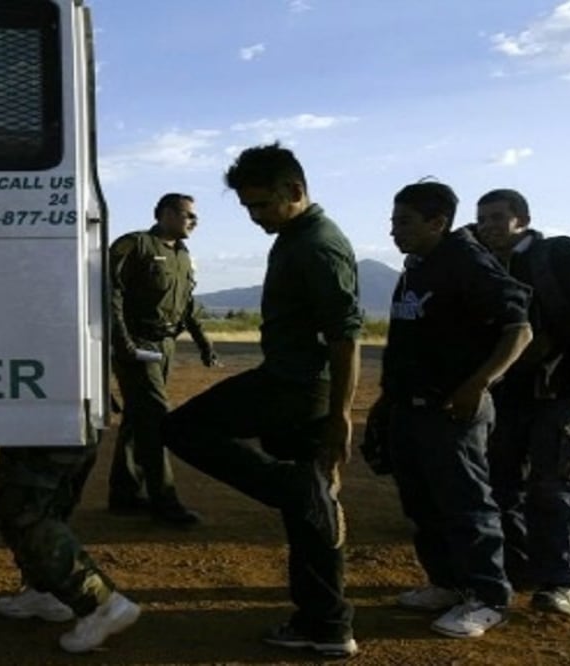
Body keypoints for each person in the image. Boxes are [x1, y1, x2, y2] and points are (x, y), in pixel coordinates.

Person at [160, 143, 361, 658]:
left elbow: (346, 336)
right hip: (289, 380)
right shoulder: (294, 234)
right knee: (310, 512)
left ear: (295, 191)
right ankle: (328, 624)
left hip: (296, 388)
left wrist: (341, 416)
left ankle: (292, 487)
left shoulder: (318, 244)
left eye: (263, 206)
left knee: (182, 429)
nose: (255, 218)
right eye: (248, 208)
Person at [378, 181, 532, 639]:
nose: (393, 231)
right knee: (423, 501)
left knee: (467, 504)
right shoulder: (417, 267)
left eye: (403, 222)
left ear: (437, 222)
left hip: (451, 410)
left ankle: (488, 598)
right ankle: (446, 582)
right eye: (392, 222)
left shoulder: (466, 262)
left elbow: (518, 328)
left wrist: (479, 383)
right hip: (411, 407)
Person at [475, 188, 570, 617]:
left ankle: (564, 581)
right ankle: (521, 570)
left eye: (498, 217)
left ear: (522, 219)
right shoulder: (489, 265)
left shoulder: (558, 255)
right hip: (510, 393)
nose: (488, 226)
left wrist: (556, 344)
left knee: (556, 484)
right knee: (502, 483)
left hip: (561, 391)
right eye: (483, 219)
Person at [108, 193, 218, 527]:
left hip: (166, 345)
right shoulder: (135, 245)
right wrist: (122, 341)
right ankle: (165, 501)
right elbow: (109, 292)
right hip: (137, 344)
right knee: (156, 416)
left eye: (195, 216)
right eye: (188, 215)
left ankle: (124, 493)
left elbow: (187, 304)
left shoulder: (183, 255)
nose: (194, 222)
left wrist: (203, 342)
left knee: (137, 417)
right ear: (166, 214)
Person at [0, 439, 140, 653]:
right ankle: (48, 591)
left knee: (23, 515)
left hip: (48, 427)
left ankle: (101, 603)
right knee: (50, 508)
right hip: (68, 425)